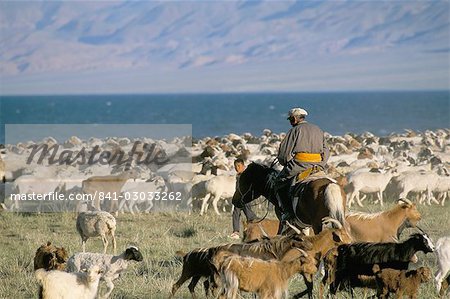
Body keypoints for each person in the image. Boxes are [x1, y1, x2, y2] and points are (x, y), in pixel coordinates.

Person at [274, 107, 329, 230]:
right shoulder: (318, 129)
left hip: (300, 165)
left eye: (290, 119)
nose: (290, 122)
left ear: (294, 119)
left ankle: (288, 213)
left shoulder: (294, 131)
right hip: (318, 165)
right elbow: (326, 149)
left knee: (279, 182)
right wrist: (321, 163)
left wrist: (286, 163)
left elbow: (284, 154)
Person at [229, 158, 257, 239]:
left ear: (243, 166)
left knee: (249, 215)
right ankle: (236, 232)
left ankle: (256, 227)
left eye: (239, 166)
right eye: (235, 166)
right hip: (239, 198)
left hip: (245, 198)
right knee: (236, 214)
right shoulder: (238, 175)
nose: (237, 168)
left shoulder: (247, 174)